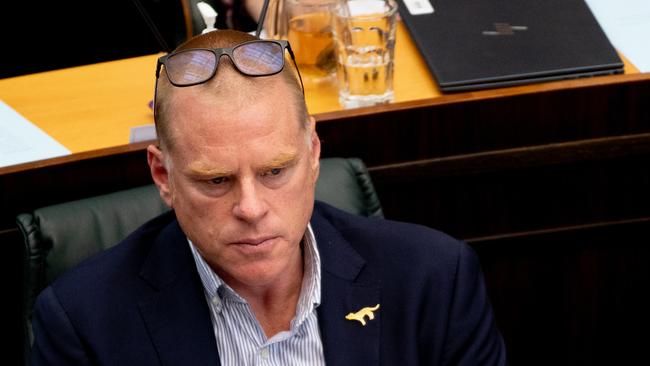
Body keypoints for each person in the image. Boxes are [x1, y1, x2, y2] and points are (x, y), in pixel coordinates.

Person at [30, 29, 507, 365]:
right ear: (163, 175)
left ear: (314, 152)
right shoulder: (82, 324)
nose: (252, 208)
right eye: (216, 181)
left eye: (275, 171)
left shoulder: (436, 280)